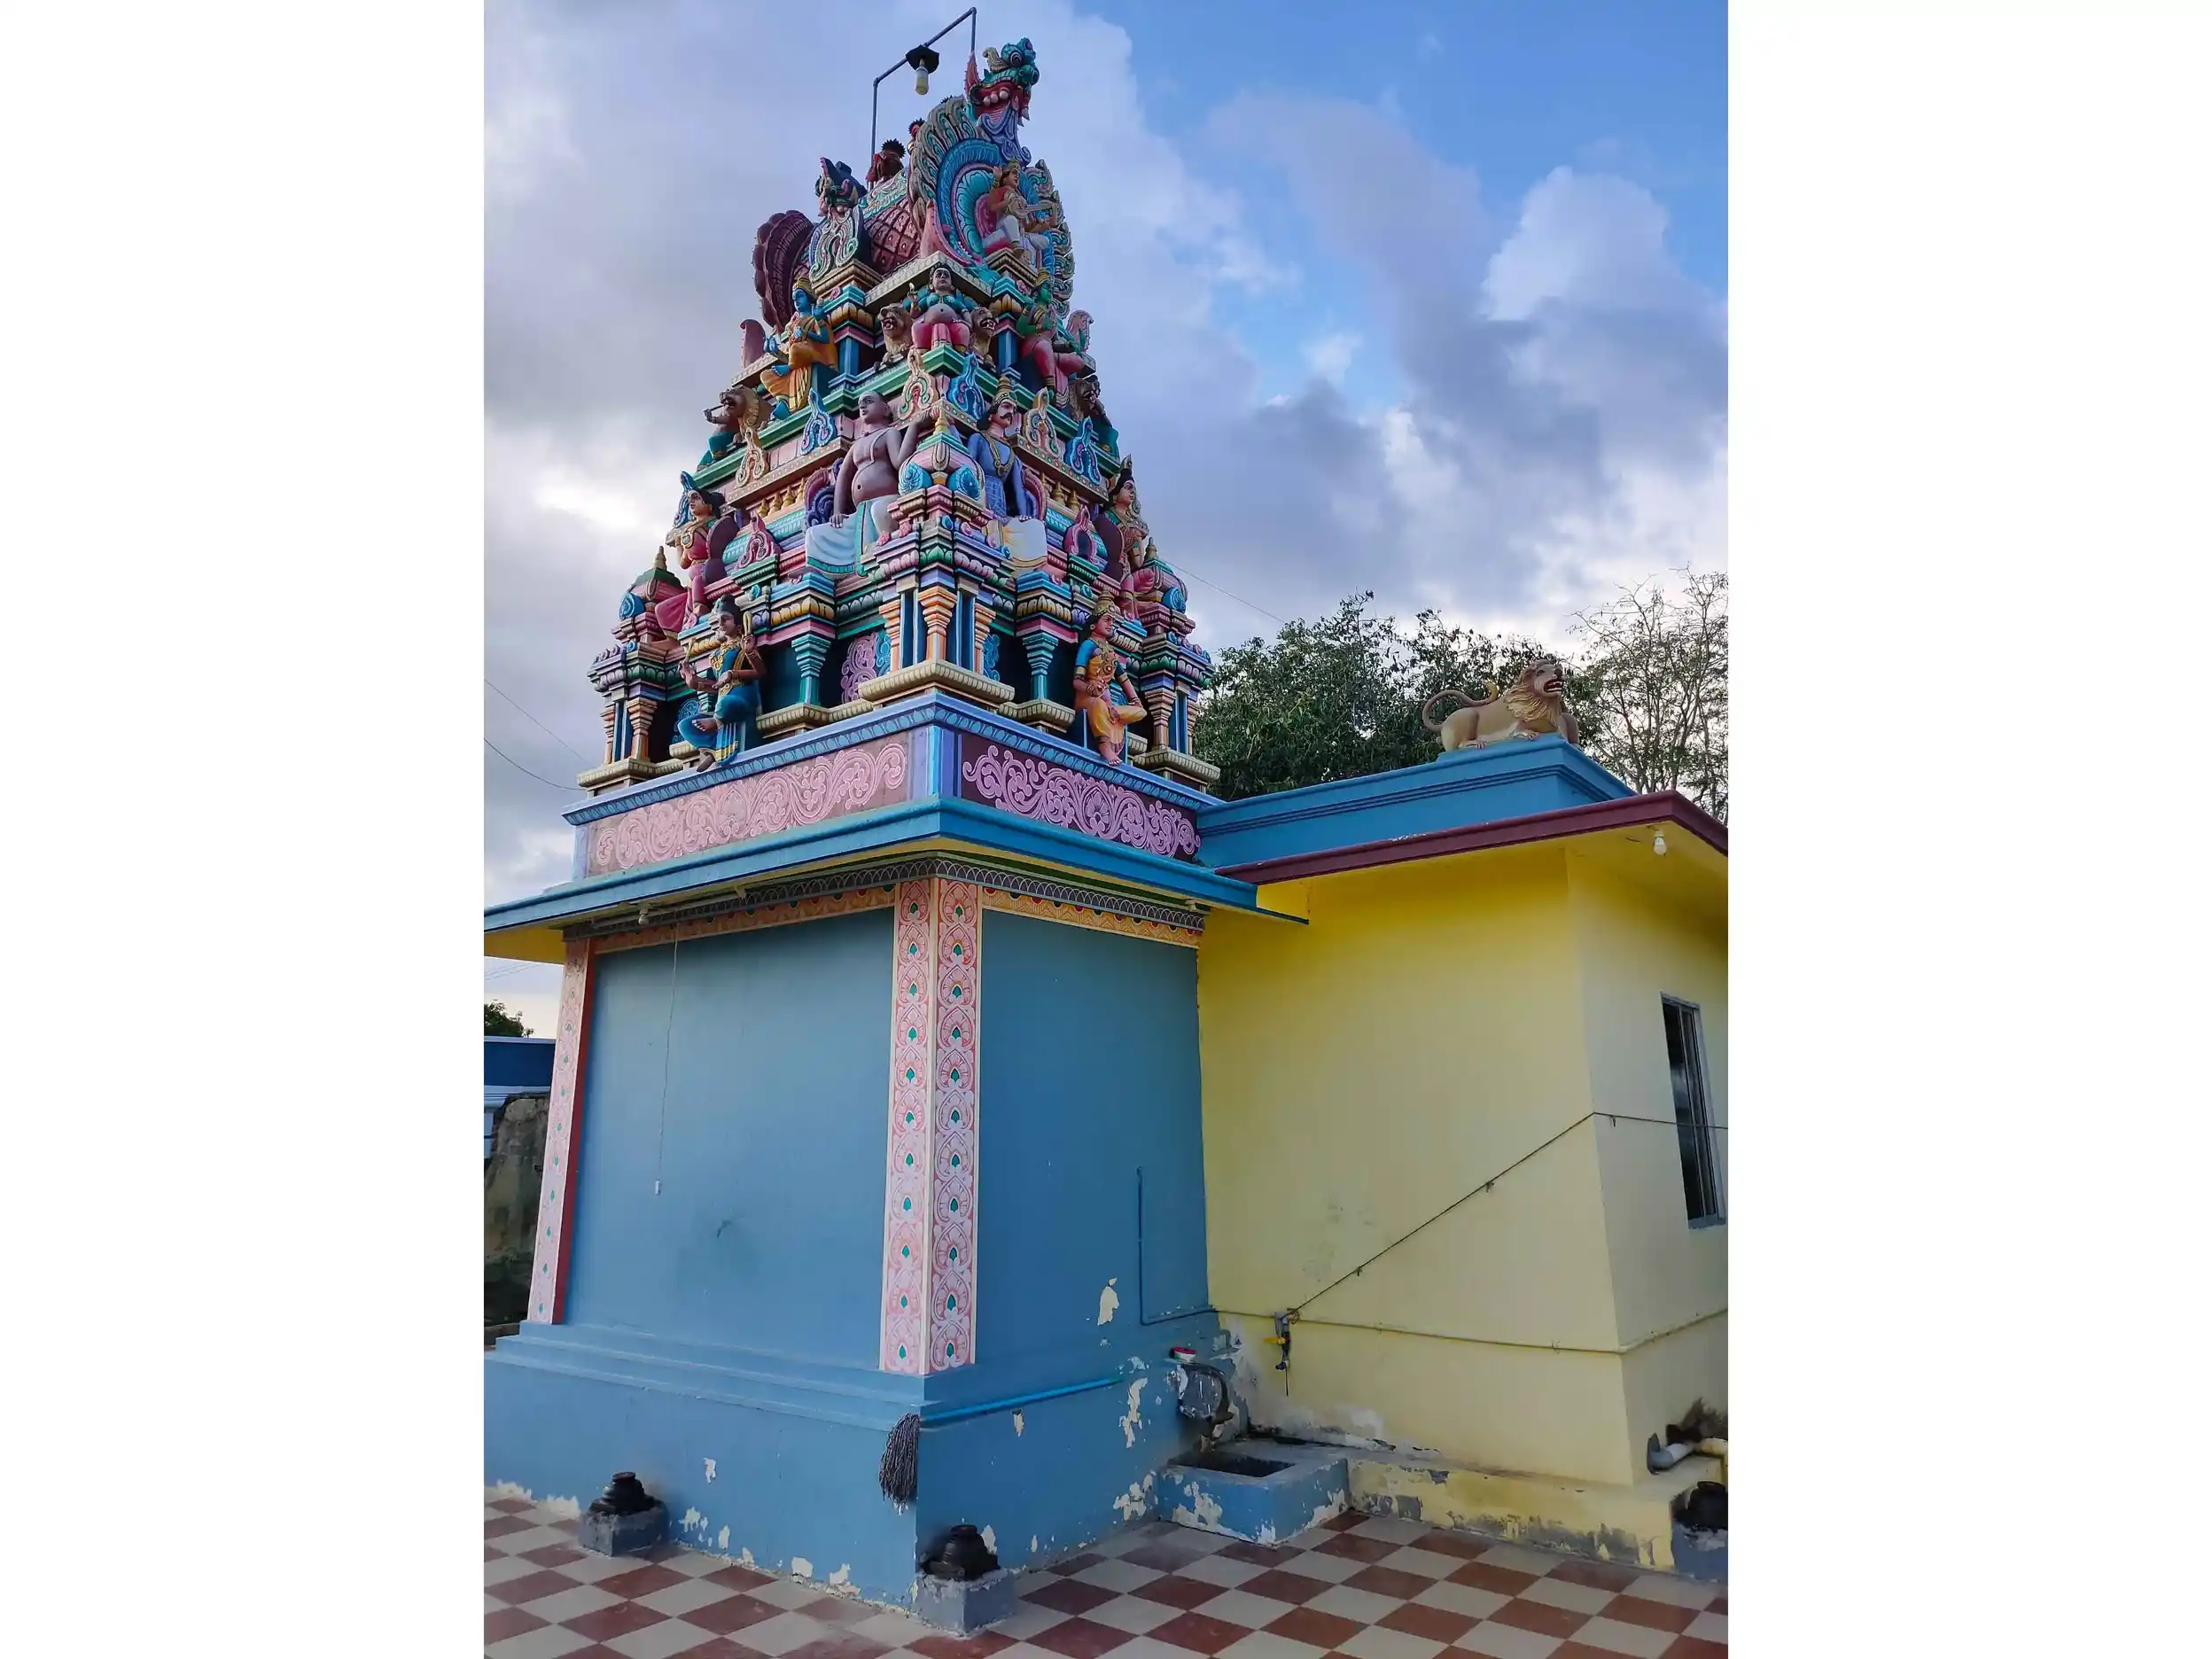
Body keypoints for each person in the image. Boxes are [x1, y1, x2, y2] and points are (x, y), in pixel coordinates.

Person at [803, 391, 931, 571]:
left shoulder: (889, 433)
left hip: (885, 503)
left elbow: (900, 461)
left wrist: (914, 427)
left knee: (878, 511)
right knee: (813, 534)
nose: (862, 406)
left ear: (885, 409)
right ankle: (817, 570)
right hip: (860, 514)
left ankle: (888, 548)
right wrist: (838, 511)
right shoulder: (856, 445)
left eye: (869, 401)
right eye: (860, 404)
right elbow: (843, 477)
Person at [965, 392, 1048, 571]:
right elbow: (968, 471)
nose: (1011, 412)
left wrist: (1023, 515)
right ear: (992, 411)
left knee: (1036, 527)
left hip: (1002, 515)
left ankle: (1024, 570)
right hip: (980, 504)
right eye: (1006, 406)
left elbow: (1018, 490)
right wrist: (977, 503)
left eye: (1014, 409)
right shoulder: (978, 439)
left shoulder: (1012, 456)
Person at [675, 599, 764, 766]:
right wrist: (692, 680)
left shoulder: (743, 646)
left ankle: (716, 723)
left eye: (726, 619)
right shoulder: (716, 655)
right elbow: (717, 686)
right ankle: (712, 747)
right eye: (719, 620)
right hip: (723, 704)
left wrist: (735, 670)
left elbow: (760, 672)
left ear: (738, 624)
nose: (721, 624)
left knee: (725, 704)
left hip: (741, 699)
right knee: (685, 725)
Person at [1071, 603, 1149, 764]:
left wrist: (1135, 700)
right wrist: (1091, 689)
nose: (1110, 624)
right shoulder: (1088, 645)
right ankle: (1105, 747)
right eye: (1106, 620)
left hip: (1107, 703)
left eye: (1112, 621)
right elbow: (1077, 681)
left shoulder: (1111, 652)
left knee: (1141, 712)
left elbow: (1123, 679)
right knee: (1098, 704)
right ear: (1093, 625)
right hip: (1087, 698)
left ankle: (1112, 715)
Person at [762, 284, 837, 414]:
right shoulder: (793, 327)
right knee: (765, 375)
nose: (796, 300)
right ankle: (783, 401)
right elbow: (791, 356)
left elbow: (825, 338)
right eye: (794, 298)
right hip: (798, 364)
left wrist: (807, 332)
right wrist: (775, 351)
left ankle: (789, 368)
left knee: (796, 348)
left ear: (809, 297)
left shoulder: (814, 318)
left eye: (800, 296)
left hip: (814, 356)